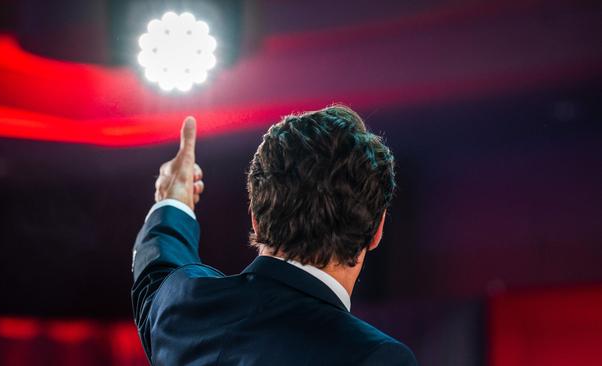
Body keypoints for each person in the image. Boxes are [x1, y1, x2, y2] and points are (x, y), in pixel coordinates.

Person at [131, 105, 417, 365]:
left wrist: (174, 197)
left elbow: (157, 266)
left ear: (255, 217)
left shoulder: (181, 307)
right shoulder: (374, 357)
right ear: (377, 231)